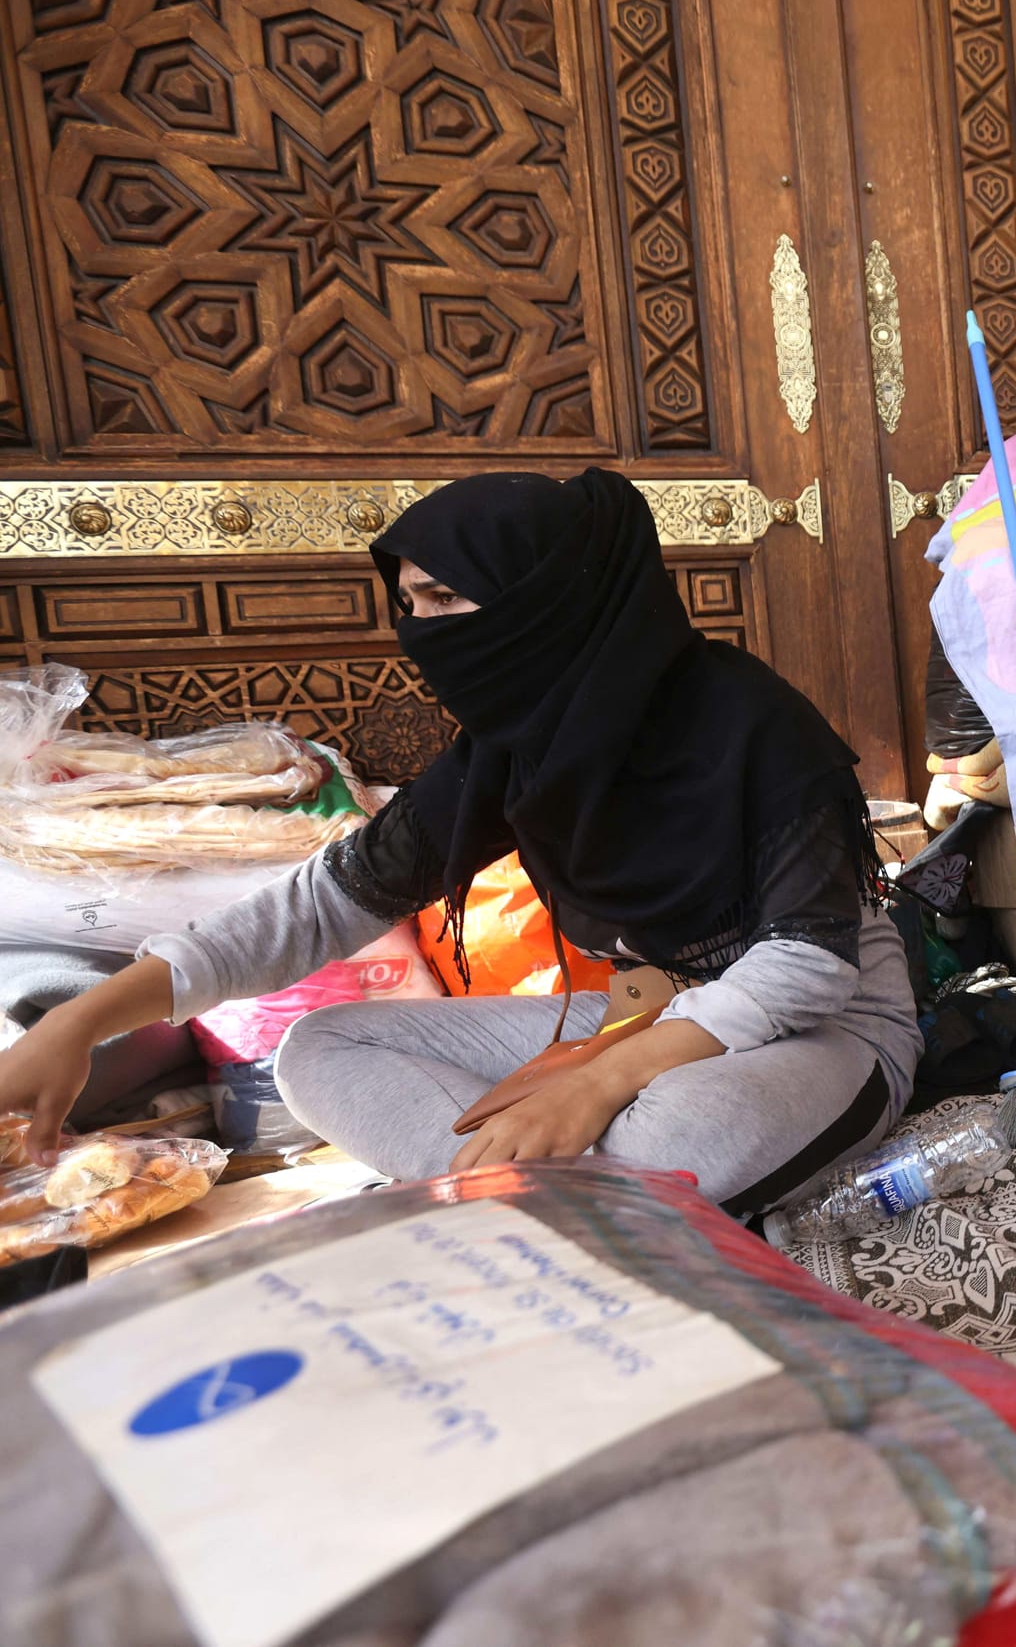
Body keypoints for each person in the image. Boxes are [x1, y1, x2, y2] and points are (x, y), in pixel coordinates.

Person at [0, 470, 921, 1215]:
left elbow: (807, 965)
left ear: (546, 597)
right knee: (318, 1050)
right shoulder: (512, 753)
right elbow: (320, 907)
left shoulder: (750, 721)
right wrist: (79, 1022)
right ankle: (578, 1205)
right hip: (647, 1017)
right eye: (409, 602)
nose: (420, 632)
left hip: (823, 1027)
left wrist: (600, 1085)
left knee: (669, 1139)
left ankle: (544, 1197)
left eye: (445, 597)